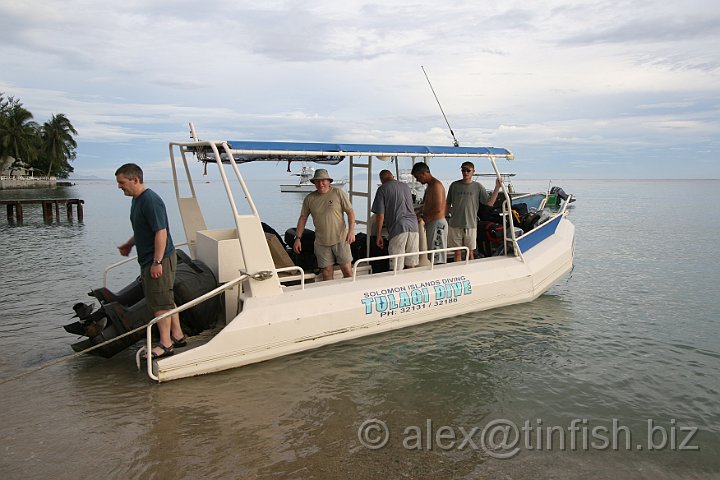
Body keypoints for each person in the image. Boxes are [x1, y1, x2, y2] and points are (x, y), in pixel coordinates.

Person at [115, 163, 185, 360]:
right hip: (150, 258)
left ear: (135, 180)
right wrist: (129, 244)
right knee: (165, 298)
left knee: (159, 304)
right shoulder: (137, 200)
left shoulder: (150, 201)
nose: (119, 186)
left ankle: (166, 344)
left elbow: (161, 232)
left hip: (158, 258)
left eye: (122, 183)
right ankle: (178, 336)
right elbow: (142, 230)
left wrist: (157, 262)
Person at [293, 168, 355, 281]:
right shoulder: (309, 198)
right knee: (326, 273)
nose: (321, 183)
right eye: (317, 181)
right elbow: (303, 218)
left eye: (323, 181)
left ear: (328, 181)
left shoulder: (338, 193)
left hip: (341, 239)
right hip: (321, 242)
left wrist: (351, 231)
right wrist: (298, 238)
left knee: (347, 271)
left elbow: (350, 212)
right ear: (314, 183)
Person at [446, 161, 502, 262]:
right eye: (463, 170)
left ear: (473, 172)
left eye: (468, 170)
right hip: (454, 224)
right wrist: (445, 217)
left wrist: (497, 187)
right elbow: (447, 203)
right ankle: (457, 271)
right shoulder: (454, 185)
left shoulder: (478, 187)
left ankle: (470, 270)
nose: (465, 172)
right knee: (457, 251)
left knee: (470, 251)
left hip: (470, 224)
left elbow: (490, 203)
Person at [371, 170, 419, 270]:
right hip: (414, 227)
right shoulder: (405, 186)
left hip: (398, 228)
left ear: (381, 179)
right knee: (411, 264)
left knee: (396, 266)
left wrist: (378, 234)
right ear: (393, 176)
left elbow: (380, 215)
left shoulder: (382, 189)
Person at [411, 162, 447, 264]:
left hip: (437, 224)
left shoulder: (436, 186)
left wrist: (424, 217)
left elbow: (438, 208)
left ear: (423, 173)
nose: (418, 180)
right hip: (432, 223)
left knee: (437, 255)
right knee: (432, 253)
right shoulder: (430, 186)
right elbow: (428, 205)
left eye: (418, 177)